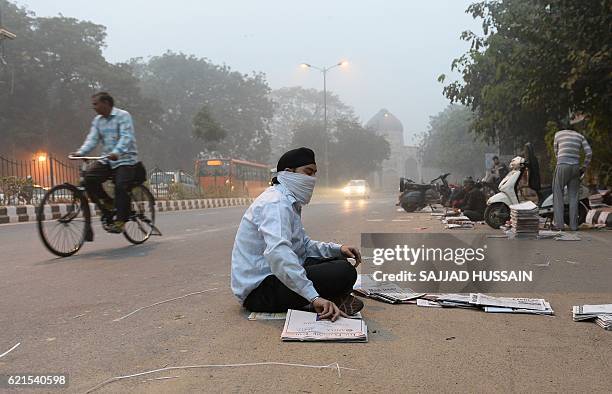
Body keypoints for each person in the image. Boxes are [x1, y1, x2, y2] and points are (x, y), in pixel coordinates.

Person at [231, 147, 363, 321]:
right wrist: (313, 297)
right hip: (260, 291)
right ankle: (321, 301)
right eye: (308, 173)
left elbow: (304, 246)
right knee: (343, 271)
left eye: (314, 174)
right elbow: (279, 253)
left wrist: (338, 249)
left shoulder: (288, 201)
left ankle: (330, 298)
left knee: (339, 259)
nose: (312, 179)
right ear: (288, 172)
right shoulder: (275, 203)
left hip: (274, 276)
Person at [72, 92, 139, 233]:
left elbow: (126, 137)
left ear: (106, 103)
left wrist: (117, 152)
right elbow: (92, 139)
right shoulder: (97, 121)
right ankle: (108, 203)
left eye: (96, 104)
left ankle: (121, 221)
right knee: (88, 179)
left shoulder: (123, 116)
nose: (94, 107)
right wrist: (81, 152)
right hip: (107, 159)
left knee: (120, 186)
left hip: (125, 159)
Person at [552, 128, 592, 231]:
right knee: (574, 197)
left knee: (558, 195)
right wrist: (584, 167)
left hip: (562, 165)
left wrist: (560, 161)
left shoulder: (558, 134)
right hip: (575, 167)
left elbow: (556, 151)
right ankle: (574, 226)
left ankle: (559, 225)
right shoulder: (580, 136)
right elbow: (589, 153)